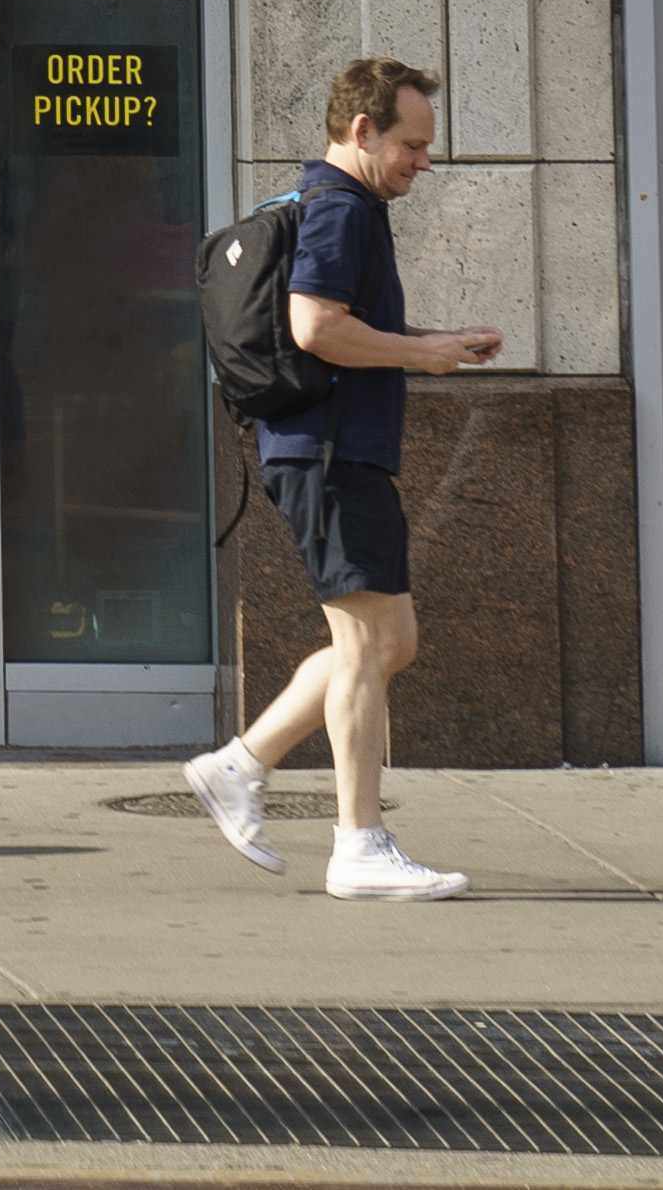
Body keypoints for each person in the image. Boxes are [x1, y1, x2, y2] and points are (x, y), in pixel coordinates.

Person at [178, 56, 501, 902]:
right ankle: (357, 844)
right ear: (361, 131)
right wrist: (418, 354)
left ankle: (237, 766)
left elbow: (340, 327)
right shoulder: (340, 210)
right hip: (324, 451)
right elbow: (315, 326)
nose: (422, 162)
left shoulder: (333, 205)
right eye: (411, 144)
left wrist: (431, 340)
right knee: (369, 646)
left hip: (326, 449)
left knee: (387, 642)